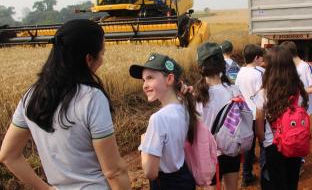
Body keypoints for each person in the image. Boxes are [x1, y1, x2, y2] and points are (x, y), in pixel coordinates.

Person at [0, 19, 130, 190]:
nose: (103, 60)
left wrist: (45, 189)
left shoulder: (31, 96)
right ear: (89, 59)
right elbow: (113, 171)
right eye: (102, 53)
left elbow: (8, 155)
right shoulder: (92, 98)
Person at [129, 53, 197, 190]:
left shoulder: (158, 118)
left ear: (169, 79)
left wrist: (144, 144)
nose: (145, 85)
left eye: (150, 78)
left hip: (166, 184)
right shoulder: (185, 107)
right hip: (185, 179)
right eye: (143, 80)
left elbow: (150, 172)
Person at [255, 46, 309, 190]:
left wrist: (264, 141)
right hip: (295, 143)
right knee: (292, 183)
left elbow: (260, 130)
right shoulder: (299, 90)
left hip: (273, 145)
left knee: (274, 183)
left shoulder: (264, 93)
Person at [194, 42, 241, 190]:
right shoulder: (234, 90)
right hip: (231, 148)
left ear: (200, 67)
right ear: (222, 65)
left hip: (207, 153)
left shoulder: (196, 96)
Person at [234, 44, 265, 186]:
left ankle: (246, 176)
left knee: (248, 147)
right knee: (264, 144)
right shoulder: (259, 73)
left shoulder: (240, 72)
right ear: (256, 58)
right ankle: (266, 175)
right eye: (261, 57)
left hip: (245, 115)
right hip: (259, 115)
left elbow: (237, 93)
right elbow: (263, 96)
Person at [280, 41, 312, 115]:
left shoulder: (305, 67)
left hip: (304, 109)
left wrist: (299, 92)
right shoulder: (288, 67)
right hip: (291, 107)